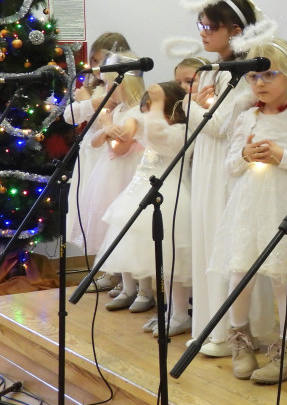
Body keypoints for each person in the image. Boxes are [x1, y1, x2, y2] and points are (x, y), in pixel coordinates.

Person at [214, 38, 287, 383]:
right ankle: (240, 340)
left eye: (268, 75)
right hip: (250, 208)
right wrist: (245, 156)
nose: (260, 83)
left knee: (283, 279)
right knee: (240, 274)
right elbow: (231, 166)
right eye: (253, 78)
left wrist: (282, 156)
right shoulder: (247, 118)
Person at [186, 0, 275, 356]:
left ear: (235, 30)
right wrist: (196, 104)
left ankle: (233, 332)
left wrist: (192, 104)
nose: (203, 33)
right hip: (208, 164)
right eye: (201, 26)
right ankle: (210, 326)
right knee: (206, 240)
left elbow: (220, 125)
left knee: (227, 245)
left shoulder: (244, 74)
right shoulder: (211, 70)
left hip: (229, 166)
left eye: (211, 26)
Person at [100, 81, 193, 336]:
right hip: (143, 195)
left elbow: (160, 138)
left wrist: (156, 106)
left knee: (175, 263)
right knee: (158, 262)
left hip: (173, 198)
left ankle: (180, 313)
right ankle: (169, 310)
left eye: (152, 110)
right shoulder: (154, 130)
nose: (146, 117)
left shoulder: (182, 132)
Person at [82, 53, 148, 311]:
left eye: (110, 83)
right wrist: (106, 128)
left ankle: (143, 289)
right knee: (118, 230)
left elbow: (118, 148)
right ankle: (125, 283)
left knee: (133, 230)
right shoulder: (117, 110)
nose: (107, 89)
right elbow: (96, 141)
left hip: (130, 175)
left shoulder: (136, 112)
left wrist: (108, 125)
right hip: (111, 176)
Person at [66, 31, 131, 291]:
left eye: (103, 61)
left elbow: (110, 111)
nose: (96, 67)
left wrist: (90, 102)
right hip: (91, 154)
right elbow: (70, 116)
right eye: (94, 60)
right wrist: (91, 101)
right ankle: (104, 267)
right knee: (91, 211)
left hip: (111, 157)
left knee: (111, 211)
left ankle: (119, 272)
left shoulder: (124, 87)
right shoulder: (91, 88)